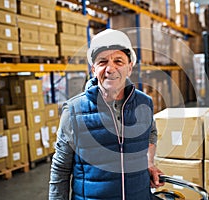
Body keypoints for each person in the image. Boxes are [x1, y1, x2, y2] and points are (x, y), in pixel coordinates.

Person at [49, 28, 164, 200]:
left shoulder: (144, 103)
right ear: (93, 69)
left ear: (130, 67)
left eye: (118, 61)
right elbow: (60, 168)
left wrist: (148, 162)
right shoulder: (74, 110)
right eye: (102, 62)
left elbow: (150, 134)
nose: (110, 68)